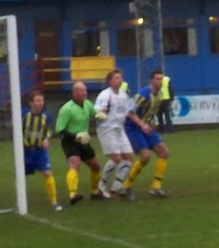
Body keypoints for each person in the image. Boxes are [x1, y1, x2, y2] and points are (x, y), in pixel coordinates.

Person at [121, 69, 171, 198]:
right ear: (152, 80)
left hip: (146, 128)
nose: (160, 81)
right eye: (157, 79)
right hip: (133, 127)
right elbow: (130, 112)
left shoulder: (159, 95)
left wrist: (151, 124)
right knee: (145, 157)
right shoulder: (143, 93)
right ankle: (126, 185)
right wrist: (142, 125)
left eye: (162, 79)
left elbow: (151, 112)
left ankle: (156, 187)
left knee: (164, 152)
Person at [55, 81, 105, 203]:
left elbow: (94, 113)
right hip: (70, 141)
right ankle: (73, 194)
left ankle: (94, 192)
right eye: (81, 91)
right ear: (74, 93)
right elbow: (59, 129)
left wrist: (100, 114)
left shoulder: (87, 104)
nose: (84, 93)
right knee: (75, 164)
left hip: (85, 141)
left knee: (96, 166)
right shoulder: (67, 109)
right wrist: (75, 136)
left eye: (85, 91)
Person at [94, 68, 137, 198]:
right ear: (110, 81)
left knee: (129, 157)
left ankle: (117, 186)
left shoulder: (124, 95)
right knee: (117, 158)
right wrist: (101, 111)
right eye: (116, 78)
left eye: (120, 78)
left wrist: (141, 123)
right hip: (106, 129)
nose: (119, 80)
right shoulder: (105, 95)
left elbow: (129, 111)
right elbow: (96, 110)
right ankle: (101, 185)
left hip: (119, 128)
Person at [21, 90, 63, 211]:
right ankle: (21, 200)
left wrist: (46, 138)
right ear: (31, 103)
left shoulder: (47, 116)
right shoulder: (23, 114)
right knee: (20, 176)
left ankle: (54, 202)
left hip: (40, 152)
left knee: (47, 173)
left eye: (42, 100)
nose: (41, 103)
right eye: (38, 100)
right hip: (25, 152)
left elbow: (49, 130)